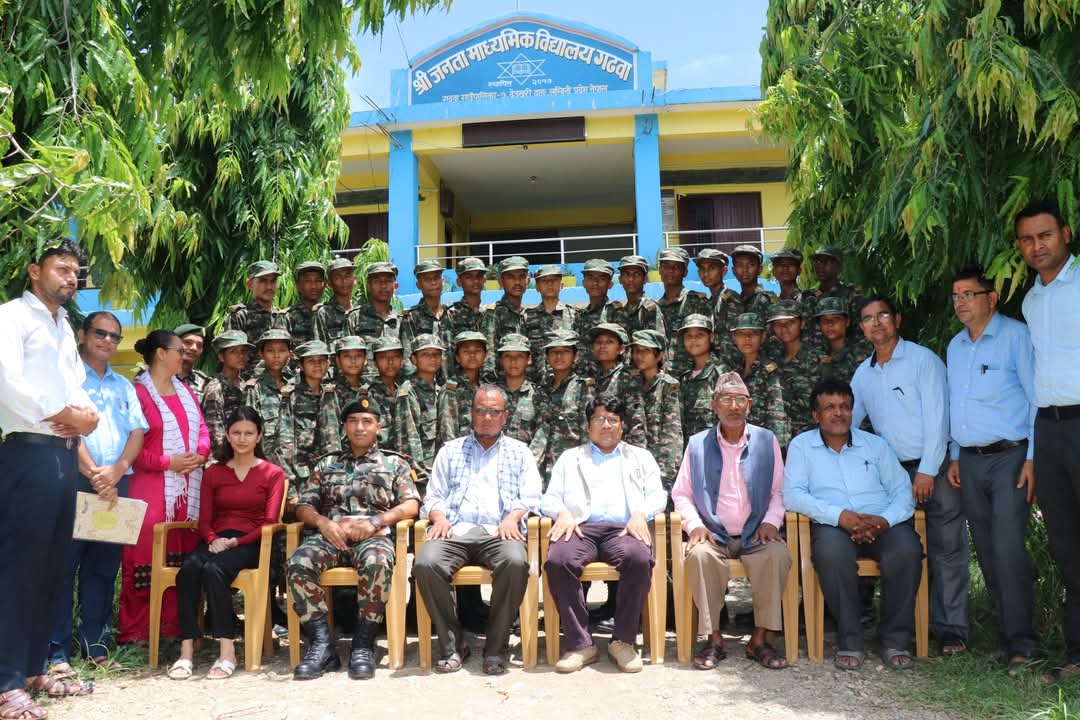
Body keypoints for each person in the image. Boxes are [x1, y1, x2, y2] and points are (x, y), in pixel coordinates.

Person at [0, 240, 100, 716]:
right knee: (19, 570)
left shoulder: (62, 327)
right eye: (61, 268)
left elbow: (76, 385)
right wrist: (64, 413)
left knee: (52, 569)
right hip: (28, 453)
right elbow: (6, 382)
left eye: (75, 271)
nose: (71, 278)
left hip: (64, 455)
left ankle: (34, 667)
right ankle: (5, 683)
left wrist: (88, 416)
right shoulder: (11, 317)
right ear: (34, 271)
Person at [851, 295, 967, 655]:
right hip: (892, 477)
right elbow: (847, 422)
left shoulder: (922, 361)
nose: (876, 323)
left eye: (883, 315)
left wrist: (928, 470)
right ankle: (914, 625)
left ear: (897, 319)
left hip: (933, 467)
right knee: (904, 550)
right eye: (868, 318)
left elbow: (938, 419)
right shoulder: (863, 374)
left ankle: (951, 631)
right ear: (862, 328)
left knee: (946, 548)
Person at [784, 378, 921, 670]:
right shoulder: (802, 446)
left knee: (907, 550)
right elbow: (793, 495)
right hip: (832, 524)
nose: (839, 413)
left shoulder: (875, 445)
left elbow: (902, 491)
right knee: (832, 555)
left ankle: (894, 639)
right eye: (830, 407)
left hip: (881, 523)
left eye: (845, 406)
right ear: (816, 415)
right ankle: (850, 639)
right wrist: (840, 516)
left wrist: (884, 521)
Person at [945, 267, 1039, 671]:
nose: (960, 302)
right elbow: (956, 403)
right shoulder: (955, 346)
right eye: (956, 296)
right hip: (969, 461)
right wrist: (954, 454)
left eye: (969, 294)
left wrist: (1033, 457)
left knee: (1007, 547)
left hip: (1011, 458)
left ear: (992, 298)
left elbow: (1037, 399)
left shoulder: (1016, 337)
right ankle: (1007, 635)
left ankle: (1024, 643)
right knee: (985, 549)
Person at [413, 386, 543, 675]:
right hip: (455, 530)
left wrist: (513, 517)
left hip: (500, 530)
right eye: (480, 410)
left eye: (493, 412)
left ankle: (495, 648)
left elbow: (532, 497)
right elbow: (433, 495)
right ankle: (454, 643)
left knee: (515, 562)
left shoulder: (519, 452)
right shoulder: (450, 451)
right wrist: (438, 517)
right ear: (471, 413)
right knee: (425, 563)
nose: (486, 417)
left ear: (505, 416)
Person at [287, 399, 420, 680]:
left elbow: (411, 504)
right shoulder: (327, 463)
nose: (360, 427)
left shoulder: (394, 463)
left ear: (378, 427)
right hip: (331, 537)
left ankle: (363, 643)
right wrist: (321, 522)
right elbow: (304, 505)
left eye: (367, 421)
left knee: (377, 562)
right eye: (353, 421)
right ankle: (322, 645)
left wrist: (376, 521)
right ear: (344, 427)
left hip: (372, 537)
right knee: (298, 562)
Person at [49, 311, 148, 675]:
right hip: (75, 482)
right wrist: (94, 474)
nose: (107, 340)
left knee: (103, 568)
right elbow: (65, 429)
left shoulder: (123, 386)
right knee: (64, 568)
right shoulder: (67, 380)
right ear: (82, 334)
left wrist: (117, 470)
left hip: (116, 486)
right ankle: (57, 653)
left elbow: (137, 431)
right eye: (100, 333)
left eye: (114, 336)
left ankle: (96, 647)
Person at [671, 371, 790, 670]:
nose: (734, 406)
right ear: (714, 405)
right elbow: (682, 493)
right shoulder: (697, 444)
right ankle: (714, 638)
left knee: (777, 555)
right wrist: (695, 525)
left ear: (749, 404)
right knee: (698, 556)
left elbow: (779, 491)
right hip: (713, 533)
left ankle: (760, 639)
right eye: (726, 399)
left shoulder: (766, 440)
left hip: (756, 533)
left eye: (740, 400)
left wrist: (771, 521)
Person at [542, 394, 668, 673]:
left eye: (613, 419)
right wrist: (561, 512)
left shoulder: (640, 457)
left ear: (622, 426)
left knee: (638, 559)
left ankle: (623, 641)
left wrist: (641, 514)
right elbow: (548, 498)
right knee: (558, 561)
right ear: (588, 426)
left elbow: (658, 495)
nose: (606, 425)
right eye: (599, 419)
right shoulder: (570, 458)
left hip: (624, 528)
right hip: (580, 528)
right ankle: (581, 644)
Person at [169, 407, 285, 680]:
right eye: (236, 433)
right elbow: (204, 520)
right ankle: (186, 651)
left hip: (251, 542)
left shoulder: (272, 473)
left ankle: (227, 651)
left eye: (249, 433)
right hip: (217, 539)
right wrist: (213, 539)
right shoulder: (214, 472)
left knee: (215, 569)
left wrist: (235, 542)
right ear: (228, 436)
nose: (242, 439)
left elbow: (269, 522)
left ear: (259, 436)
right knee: (189, 569)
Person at [1015, 200, 1080, 679]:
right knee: (1067, 543)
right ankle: (1077, 654)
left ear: (1066, 233)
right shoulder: (1031, 301)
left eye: (1045, 235)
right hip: (1051, 430)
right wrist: (1036, 452)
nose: (1037, 246)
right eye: (1027, 239)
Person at [119, 330, 211, 643]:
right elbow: (131, 447)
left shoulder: (185, 391)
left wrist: (200, 454)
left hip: (186, 490)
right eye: (179, 350)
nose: (184, 355)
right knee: (145, 558)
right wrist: (167, 462)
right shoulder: (137, 393)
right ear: (161, 353)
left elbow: (202, 430)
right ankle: (137, 633)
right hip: (150, 490)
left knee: (180, 558)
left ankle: (176, 629)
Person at [538, 330, 594, 482]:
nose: (559, 356)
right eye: (554, 352)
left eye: (565, 351)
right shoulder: (541, 389)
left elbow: (587, 433)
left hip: (571, 470)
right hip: (539, 470)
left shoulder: (583, 388)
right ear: (547, 357)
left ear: (576, 356)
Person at [630, 330, 682, 490]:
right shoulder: (631, 384)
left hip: (660, 467)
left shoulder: (668, 386)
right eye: (636, 350)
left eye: (646, 351)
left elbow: (672, 432)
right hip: (633, 465)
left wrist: (665, 473)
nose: (639, 355)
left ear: (659, 356)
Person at [730, 313, 790, 449]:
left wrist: (776, 448)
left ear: (763, 337)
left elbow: (778, 413)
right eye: (741, 333)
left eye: (754, 333)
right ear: (734, 338)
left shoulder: (770, 370)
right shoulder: (735, 372)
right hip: (738, 443)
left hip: (763, 444)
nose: (747, 338)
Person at [766, 300, 825, 437]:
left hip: (810, 436)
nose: (784, 328)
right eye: (778, 324)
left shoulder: (817, 360)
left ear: (802, 323)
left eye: (790, 322)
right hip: (777, 437)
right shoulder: (771, 359)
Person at [396, 333, 446, 490]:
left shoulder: (442, 389)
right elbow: (409, 441)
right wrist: (421, 479)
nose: (432, 359)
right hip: (423, 478)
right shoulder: (408, 392)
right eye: (425, 354)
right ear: (414, 359)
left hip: (442, 472)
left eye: (436, 354)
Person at [224, 261, 290, 371]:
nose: (269, 286)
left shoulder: (282, 317)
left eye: (273, 281)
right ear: (249, 284)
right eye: (263, 281)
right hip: (248, 379)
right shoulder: (241, 316)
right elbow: (231, 356)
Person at [656, 247, 711, 379]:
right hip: (662, 378)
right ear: (660, 270)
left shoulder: (697, 302)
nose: (670, 270)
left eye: (676, 267)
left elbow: (711, 341)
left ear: (685, 272)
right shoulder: (655, 308)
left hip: (691, 377)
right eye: (666, 266)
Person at [718, 245, 777, 364]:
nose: (745, 270)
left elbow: (774, 338)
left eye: (751, 264)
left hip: (760, 366)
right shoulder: (731, 300)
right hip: (733, 365)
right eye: (740, 265)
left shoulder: (767, 300)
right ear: (734, 271)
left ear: (760, 269)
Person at [591, 323, 647, 447]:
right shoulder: (591, 377)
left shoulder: (627, 378)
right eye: (598, 342)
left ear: (621, 349)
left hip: (621, 449)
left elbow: (636, 421)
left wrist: (634, 454)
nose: (602, 346)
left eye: (609, 342)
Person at [201, 330, 253, 454]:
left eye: (243, 351)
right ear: (221, 357)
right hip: (224, 458)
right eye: (233, 351)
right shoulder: (215, 388)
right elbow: (215, 433)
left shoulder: (245, 386)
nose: (240, 356)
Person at [678, 314, 728, 441]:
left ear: (711, 337)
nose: (693, 340)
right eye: (688, 336)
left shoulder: (721, 374)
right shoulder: (684, 378)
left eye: (699, 335)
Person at [524, 264, 576, 382]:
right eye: (544, 281)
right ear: (537, 287)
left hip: (567, 384)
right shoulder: (526, 317)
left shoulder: (574, 315)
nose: (550, 284)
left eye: (554, 280)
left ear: (561, 285)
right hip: (536, 383)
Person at [482, 256, 529, 376]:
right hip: (501, 381)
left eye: (521, 277)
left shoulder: (529, 314)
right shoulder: (493, 313)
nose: (517, 282)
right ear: (501, 282)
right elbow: (489, 354)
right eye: (511, 277)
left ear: (528, 281)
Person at [400, 260, 449, 376]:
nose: (433, 283)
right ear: (418, 285)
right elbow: (408, 358)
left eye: (436, 278)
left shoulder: (452, 314)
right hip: (425, 382)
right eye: (427, 279)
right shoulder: (411, 317)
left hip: (453, 382)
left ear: (443, 281)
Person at [439, 331, 489, 443]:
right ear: (457, 357)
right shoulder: (451, 389)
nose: (472, 355)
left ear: (485, 356)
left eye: (477, 351)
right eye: (466, 351)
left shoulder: (486, 388)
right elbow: (447, 434)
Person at [442, 257, 488, 379]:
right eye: (469, 277)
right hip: (460, 382)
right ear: (459, 282)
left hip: (489, 381)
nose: (475, 281)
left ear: (484, 279)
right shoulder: (451, 314)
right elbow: (446, 354)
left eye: (479, 276)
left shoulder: (490, 314)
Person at [572, 258, 616, 376]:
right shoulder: (579, 316)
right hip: (581, 379)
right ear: (583, 282)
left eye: (601, 279)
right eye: (590, 278)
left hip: (607, 380)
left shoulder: (616, 313)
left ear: (610, 284)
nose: (595, 283)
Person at [607, 255, 665, 341]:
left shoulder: (650, 309)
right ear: (620, 279)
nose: (631, 279)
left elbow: (658, 344)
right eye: (626, 274)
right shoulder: (619, 312)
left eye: (637, 274)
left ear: (645, 279)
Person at [345, 261, 401, 348]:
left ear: (395, 286)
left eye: (388, 281)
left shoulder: (401, 321)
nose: (383, 286)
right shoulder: (354, 318)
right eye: (377, 281)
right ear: (368, 286)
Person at [815, 297, 869, 382]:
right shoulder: (815, 354)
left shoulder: (861, 350)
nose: (830, 324)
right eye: (824, 320)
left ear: (847, 322)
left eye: (836, 319)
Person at [368, 337, 405, 452]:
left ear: (402, 359)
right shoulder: (369, 394)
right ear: (375, 362)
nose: (390, 362)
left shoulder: (406, 390)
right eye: (383, 357)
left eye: (395, 356)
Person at [314, 257, 357, 345]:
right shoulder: (323, 313)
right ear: (329, 283)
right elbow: (319, 347)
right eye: (338, 277)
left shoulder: (363, 311)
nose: (344, 281)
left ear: (355, 280)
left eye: (347, 276)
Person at [285, 261, 328, 347]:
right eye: (307, 281)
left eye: (318, 281)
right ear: (298, 285)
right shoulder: (287, 317)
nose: (313, 286)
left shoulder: (330, 313)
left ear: (324, 285)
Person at [175, 324, 210, 401]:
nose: (194, 348)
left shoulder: (205, 383)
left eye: (199, 345)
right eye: (187, 342)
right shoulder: (156, 376)